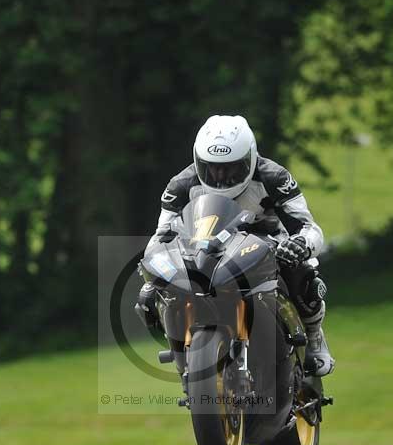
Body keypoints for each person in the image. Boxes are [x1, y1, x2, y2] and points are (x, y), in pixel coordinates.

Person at [138, 114, 334, 376]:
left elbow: (309, 228)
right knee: (150, 294)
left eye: (230, 168)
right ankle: (181, 351)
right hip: (204, 250)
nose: (220, 175)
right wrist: (155, 262)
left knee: (303, 273)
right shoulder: (181, 184)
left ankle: (314, 337)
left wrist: (300, 243)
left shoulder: (274, 177)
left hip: (266, 245)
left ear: (250, 159)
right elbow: (162, 234)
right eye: (212, 167)